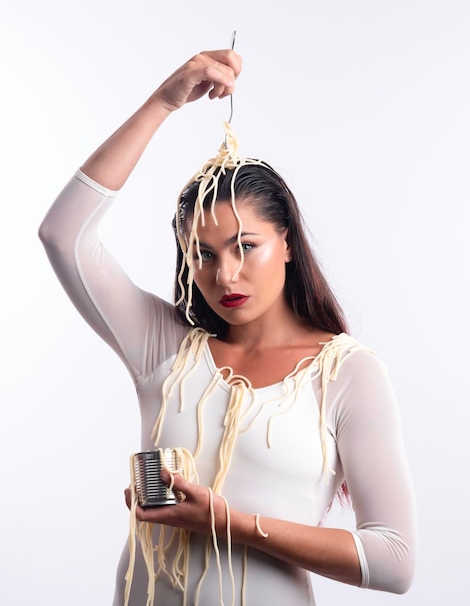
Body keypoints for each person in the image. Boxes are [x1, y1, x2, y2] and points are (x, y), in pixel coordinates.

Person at [39, 49, 417, 606]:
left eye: (246, 246)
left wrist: (227, 522)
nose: (226, 274)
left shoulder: (347, 372)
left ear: (287, 243)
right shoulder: (163, 349)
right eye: (204, 254)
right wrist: (164, 101)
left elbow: (395, 561)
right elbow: (63, 235)